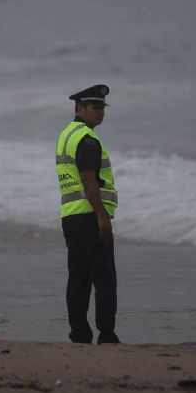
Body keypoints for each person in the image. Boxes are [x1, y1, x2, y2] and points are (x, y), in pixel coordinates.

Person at [55, 84, 120, 344]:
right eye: (94, 107)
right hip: (91, 217)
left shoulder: (66, 134)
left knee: (78, 278)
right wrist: (102, 217)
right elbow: (88, 179)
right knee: (104, 279)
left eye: (102, 108)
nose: (100, 112)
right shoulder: (87, 139)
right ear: (78, 108)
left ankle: (79, 334)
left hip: (70, 216)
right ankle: (107, 335)